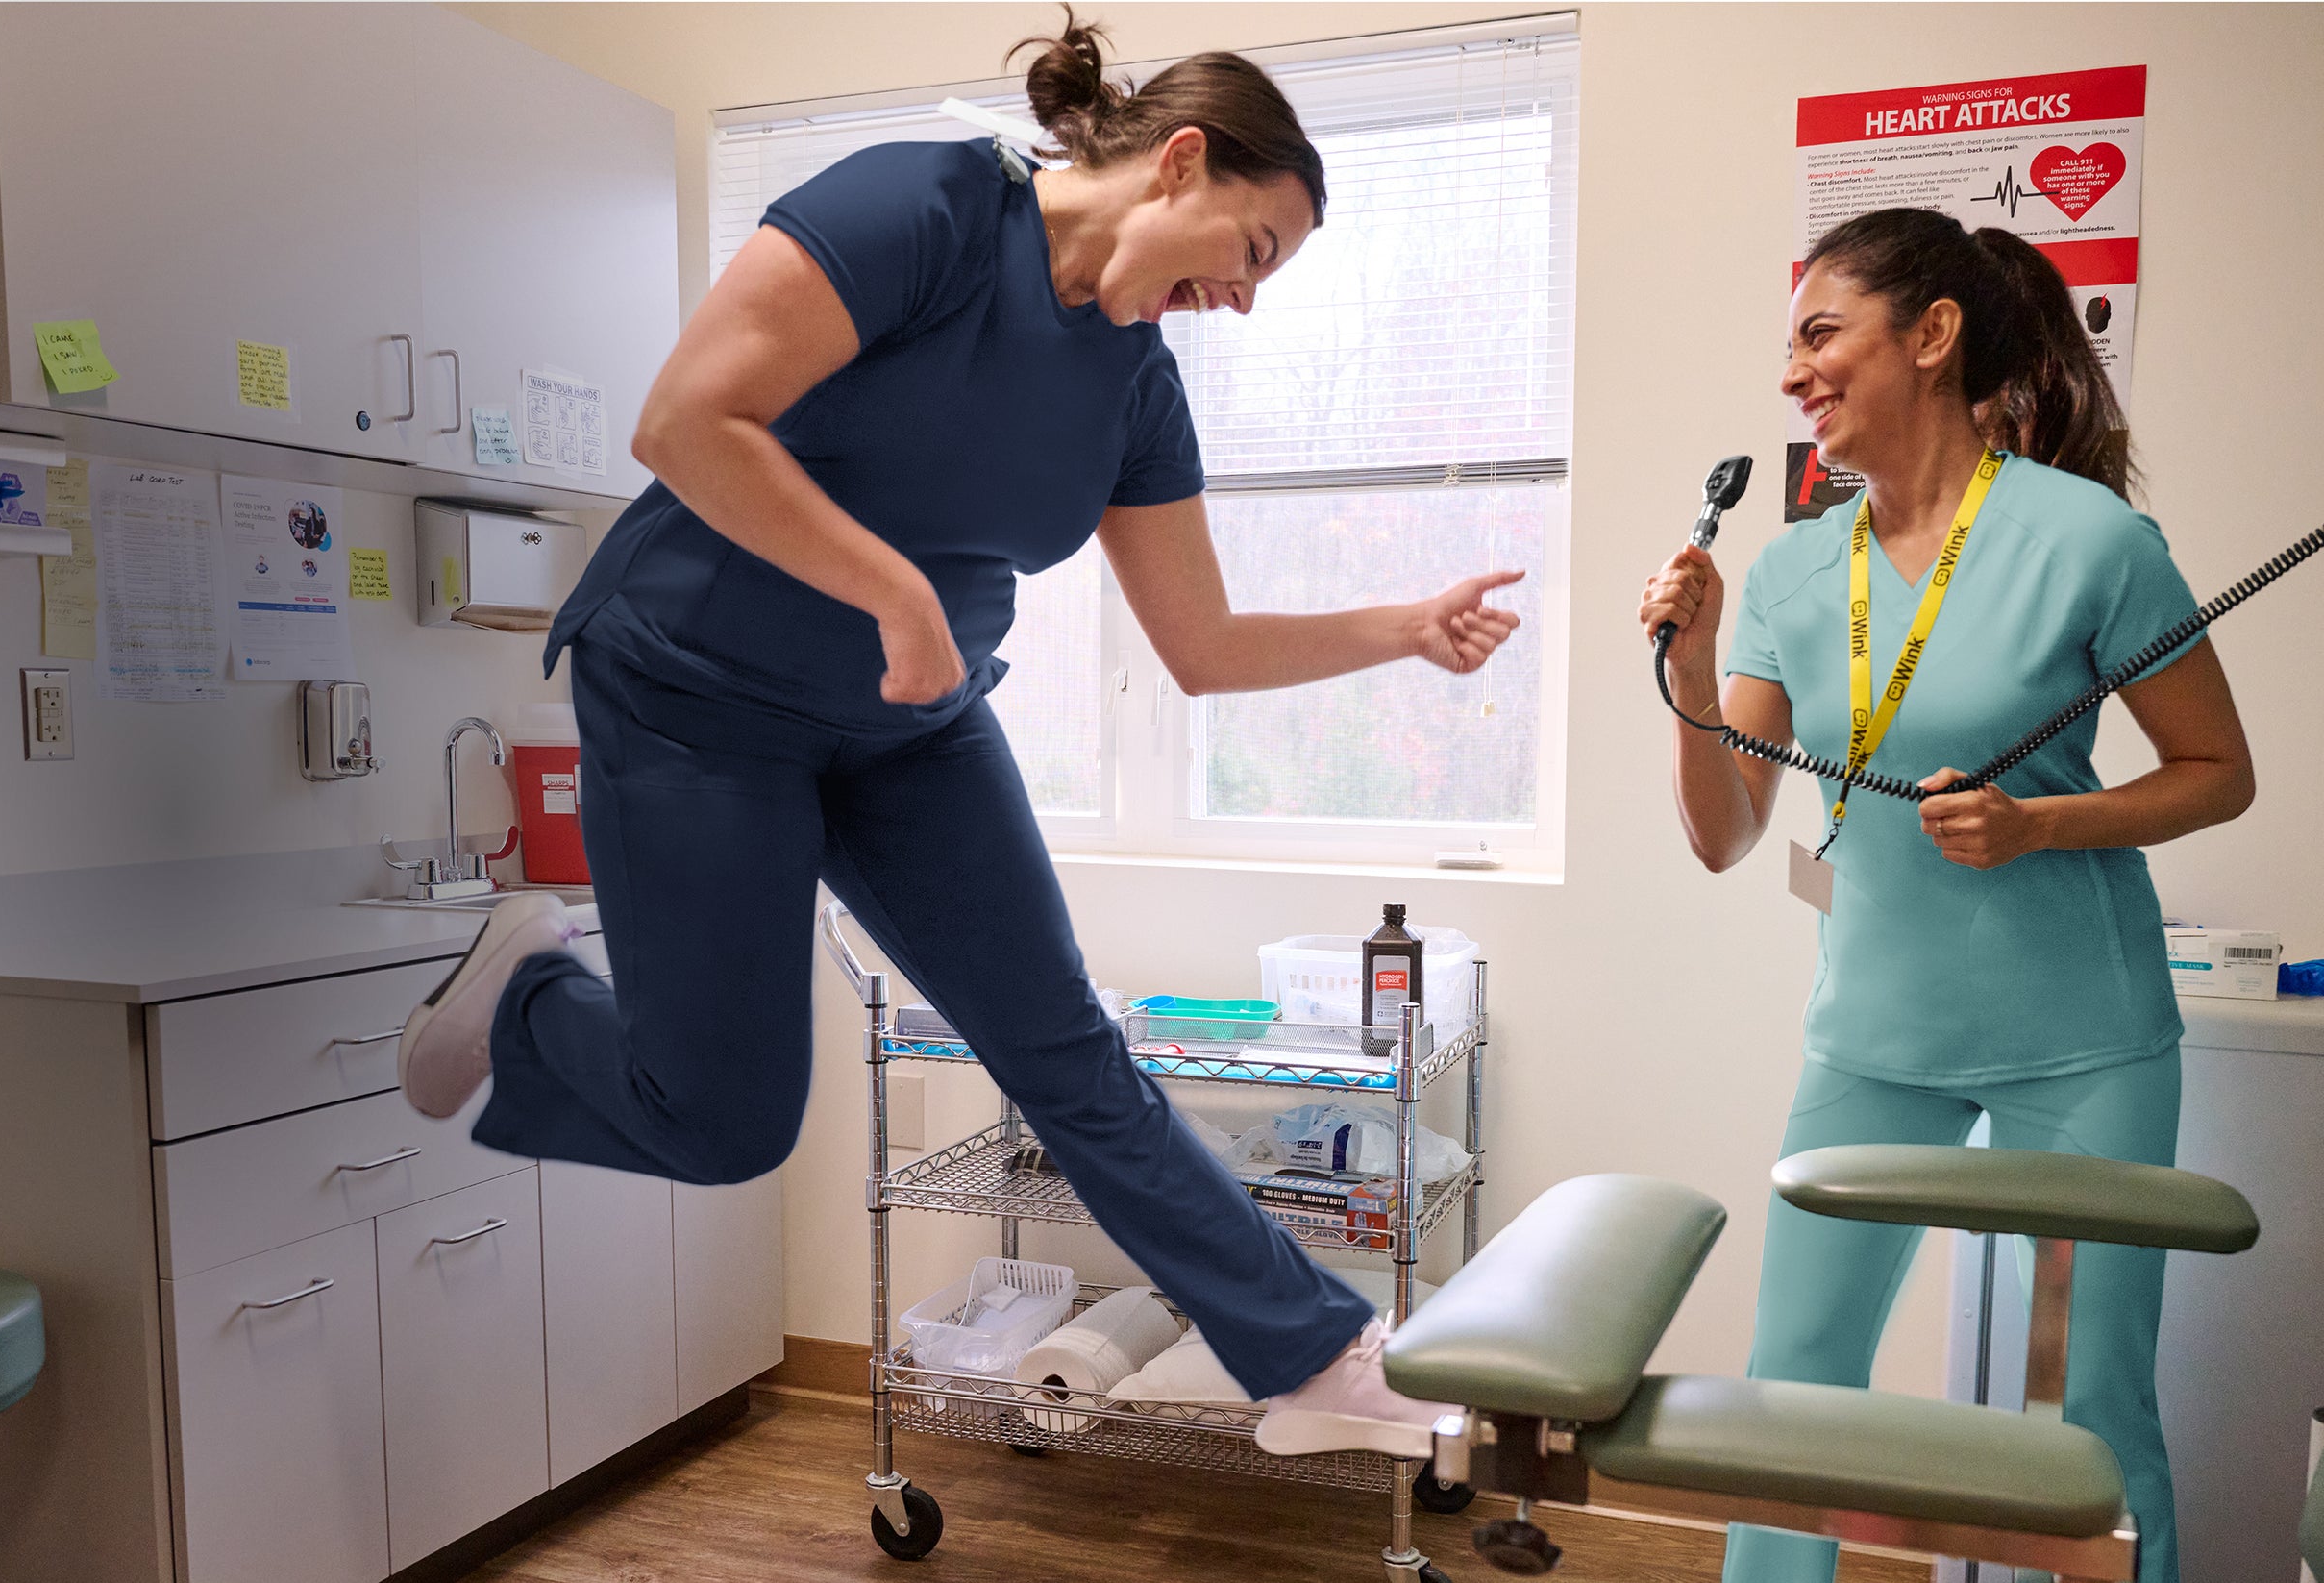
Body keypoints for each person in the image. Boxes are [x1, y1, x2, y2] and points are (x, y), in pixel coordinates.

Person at [394, 13, 1524, 1458]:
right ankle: (528, 1000)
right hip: (692, 694)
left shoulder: (1137, 384)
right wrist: (893, 590)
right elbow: (685, 421)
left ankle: (1307, 1361)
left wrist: (1403, 629)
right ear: (1180, 164)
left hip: (907, 729)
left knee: (1070, 1052)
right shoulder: (920, 210)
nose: (1244, 298)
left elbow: (1202, 646)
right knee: (727, 1124)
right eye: (1253, 251)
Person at [1638, 207, 2255, 1583]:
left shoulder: (2090, 539)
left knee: (2092, 1415)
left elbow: (2219, 773)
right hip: (1876, 1038)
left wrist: (2046, 824)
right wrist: (1690, 681)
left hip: (2084, 1042)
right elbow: (1727, 830)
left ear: (1931, 337)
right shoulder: (1798, 566)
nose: (1793, 373)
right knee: (1789, 1390)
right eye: (1787, 347)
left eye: (1818, 334)